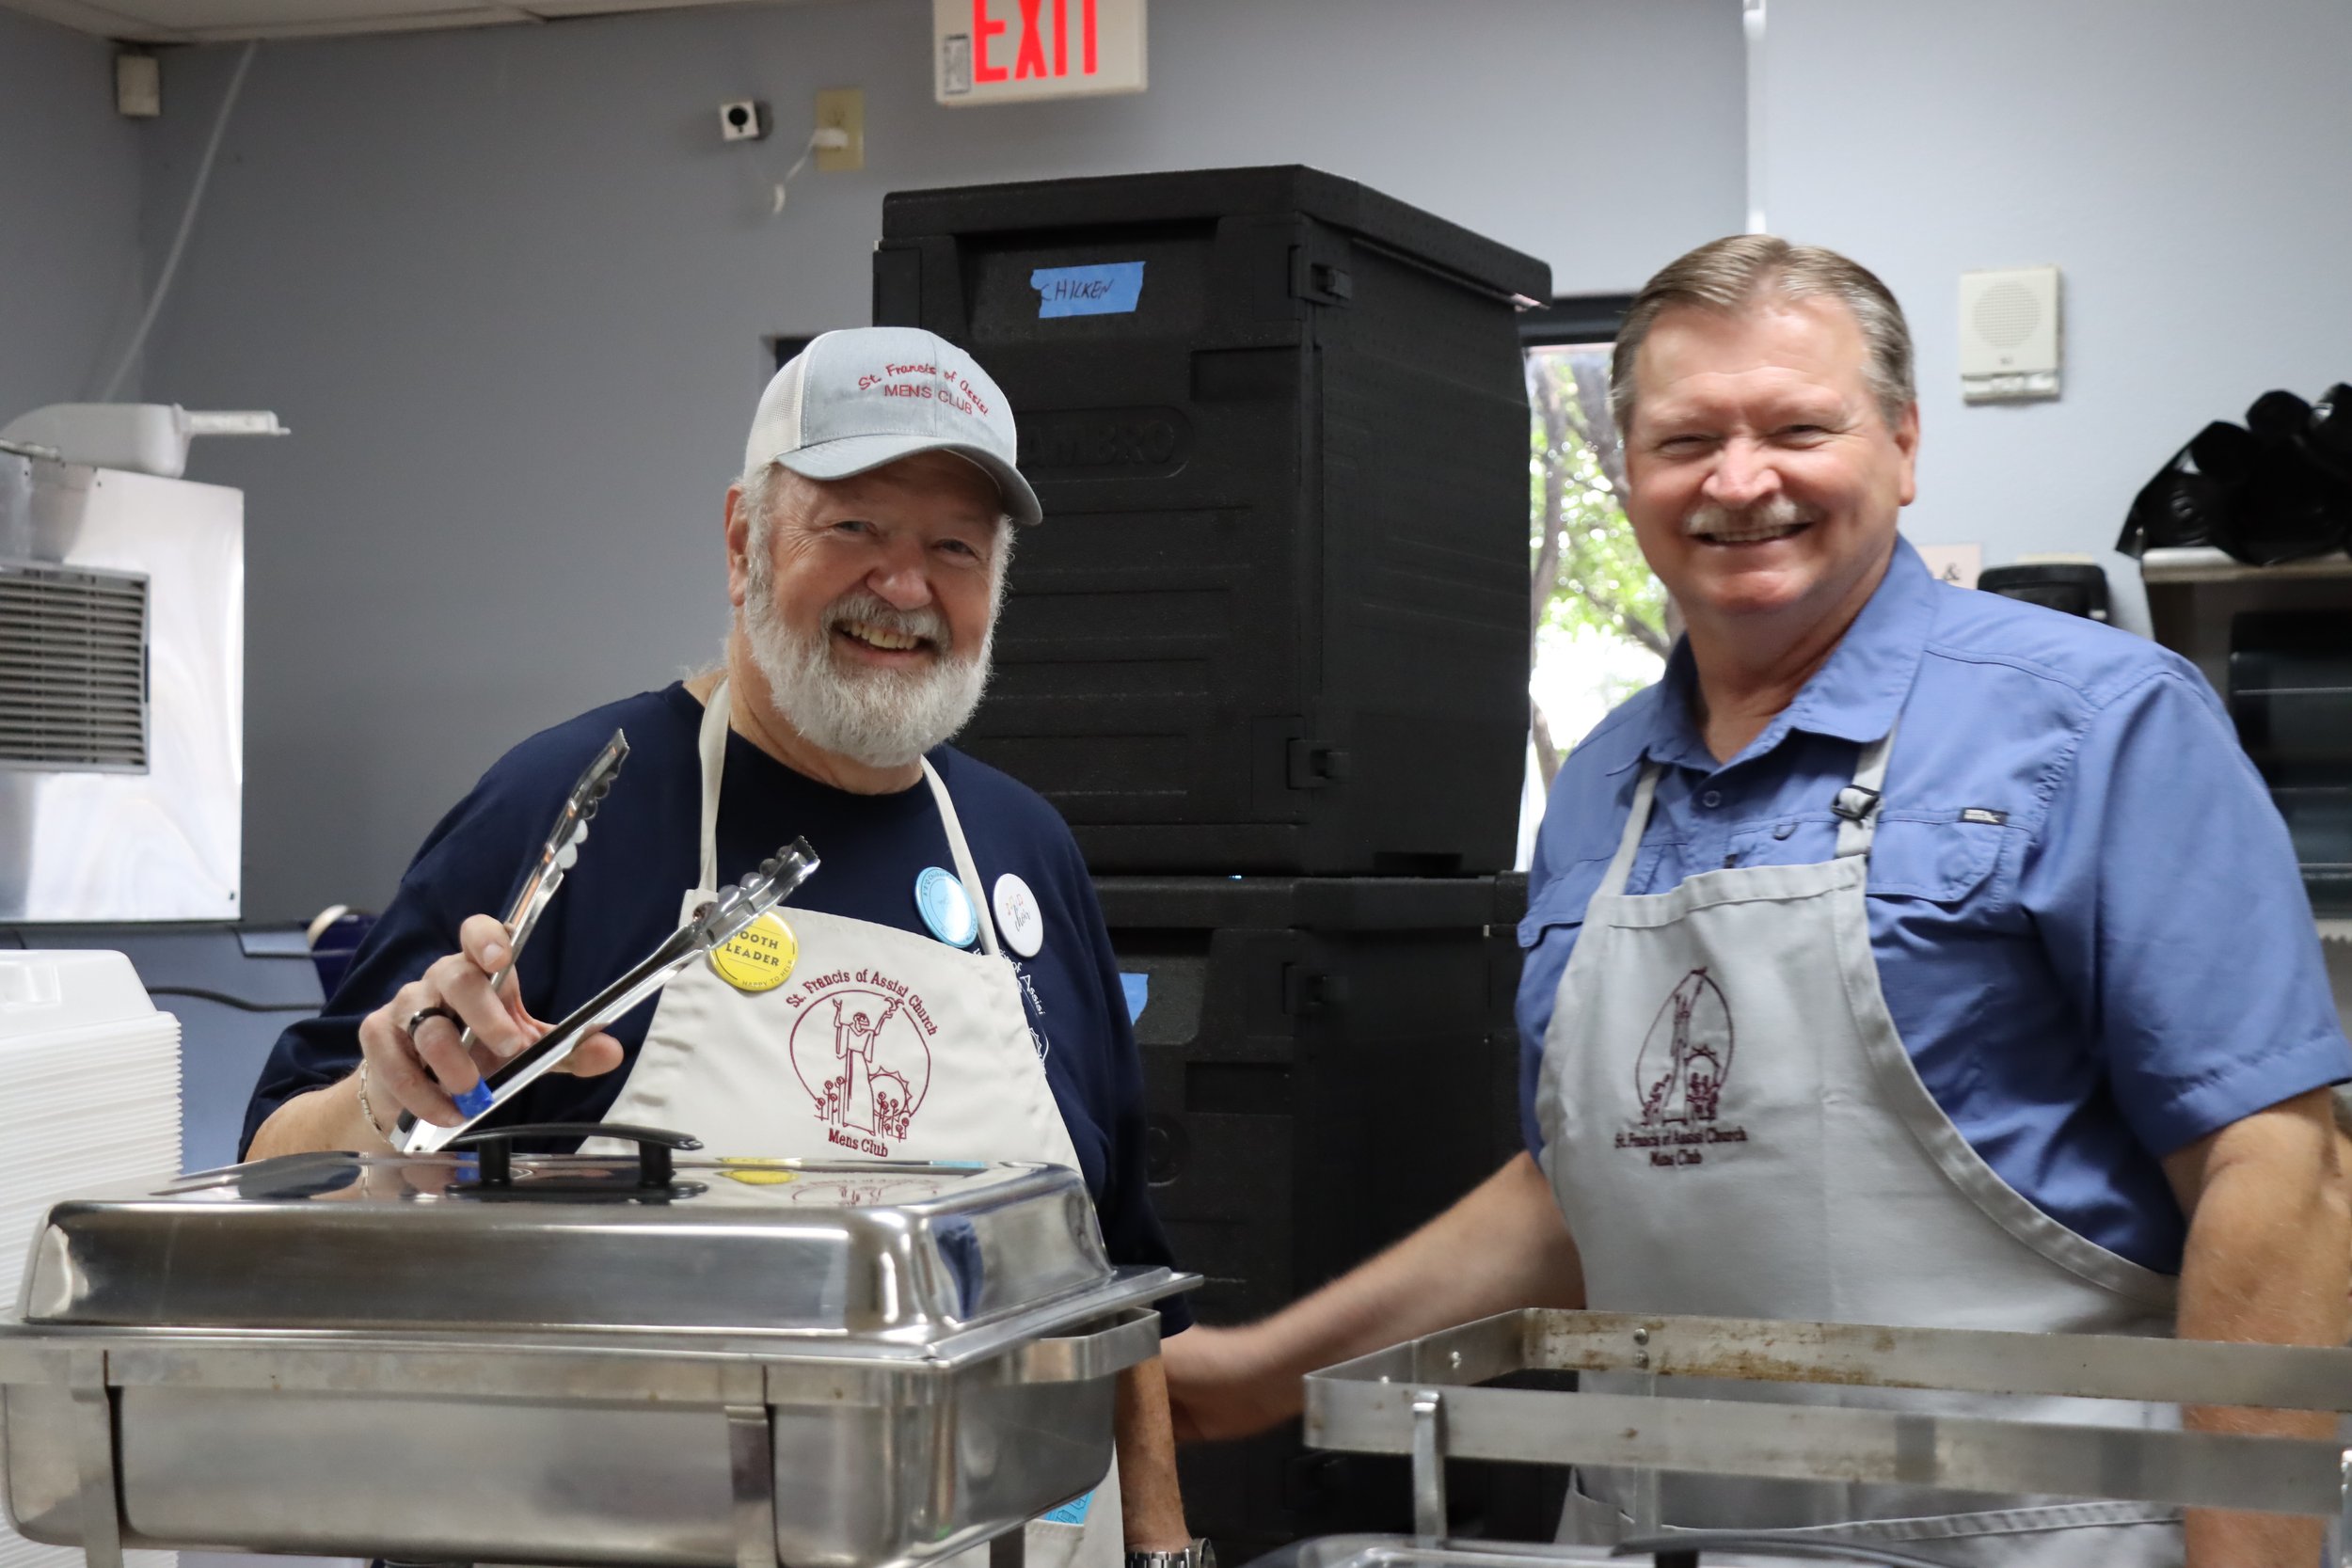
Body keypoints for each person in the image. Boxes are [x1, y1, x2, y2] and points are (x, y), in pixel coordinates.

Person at [1161, 236, 2352, 1568]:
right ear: (1625, 472)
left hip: (2032, 1538)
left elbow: (2282, 1174)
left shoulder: (2097, 724)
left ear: (1903, 446)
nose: (1740, 481)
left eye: (1798, 427)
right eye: (1685, 441)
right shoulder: (1603, 783)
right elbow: (1597, 1193)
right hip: (1660, 1534)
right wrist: (1263, 1376)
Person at [245, 326, 1204, 1568]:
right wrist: (386, 1100)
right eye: (854, 528)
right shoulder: (575, 800)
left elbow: (1114, 1265)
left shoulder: (1023, 850)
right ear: (746, 537)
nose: (905, 588)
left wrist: (1166, 1543)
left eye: (954, 549)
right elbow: (270, 1179)